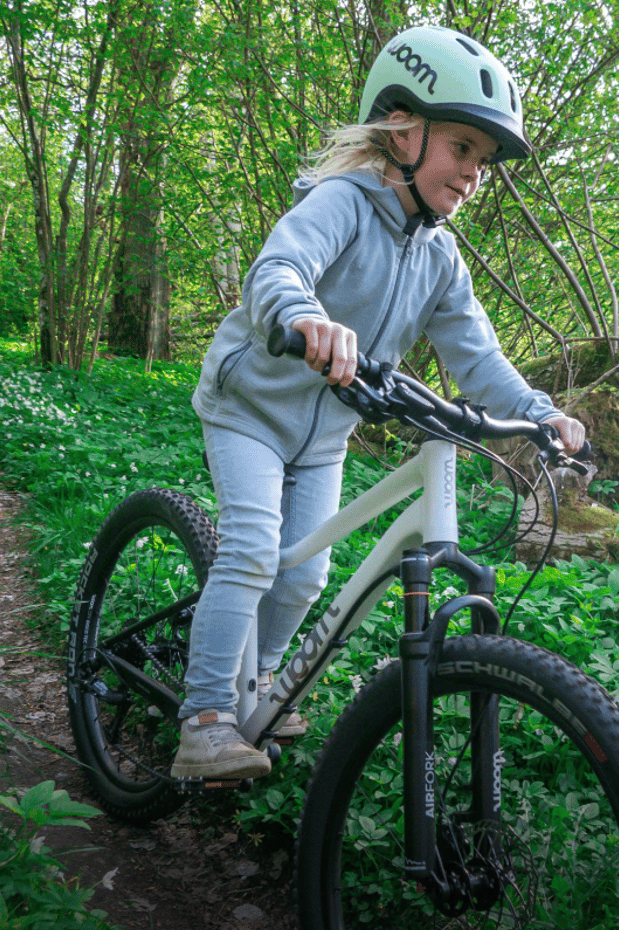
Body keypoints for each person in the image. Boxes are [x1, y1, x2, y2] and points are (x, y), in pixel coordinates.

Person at [171, 25, 586, 782]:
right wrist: (305, 319)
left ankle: (256, 683)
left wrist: (540, 412)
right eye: (461, 148)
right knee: (255, 550)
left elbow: (476, 356)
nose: (472, 174)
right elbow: (282, 264)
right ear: (402, 128)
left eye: (483, 162)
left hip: (325, 431)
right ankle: (204, 719)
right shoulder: (343, 202)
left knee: (305, 574)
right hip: (250, 410)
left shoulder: (439, 255)